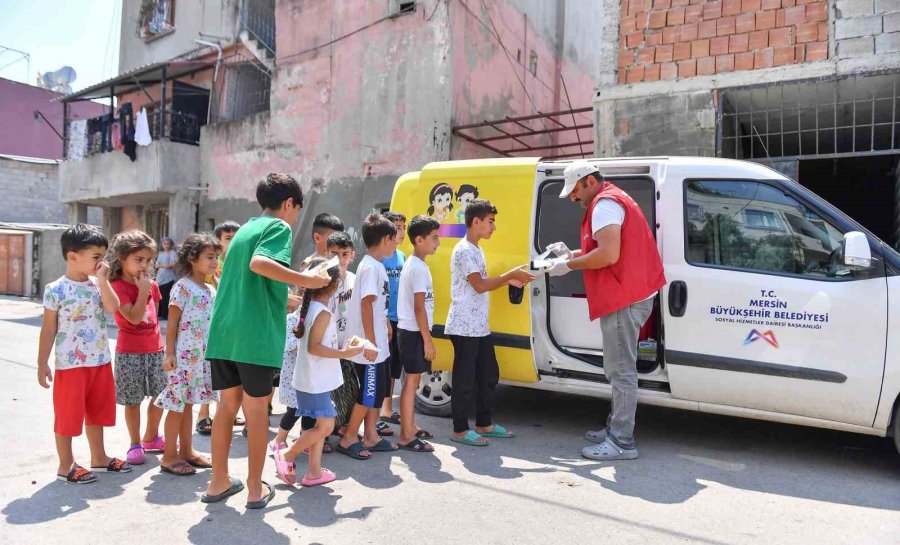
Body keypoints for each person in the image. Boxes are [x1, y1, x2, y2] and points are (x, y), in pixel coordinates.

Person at [202, 172, 328, 510]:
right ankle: (255, 489)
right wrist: (307, 280)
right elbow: (261, 264)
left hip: (224, 333)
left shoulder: (244, 229)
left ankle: (218, 482)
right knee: (256, 412)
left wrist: (285, 295)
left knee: (226, 409)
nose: (294, 218)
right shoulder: (279, 228)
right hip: (254, 337)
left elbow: (249, 277)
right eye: (296, 211)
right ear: (289, 204)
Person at [548, 160, 666, 461]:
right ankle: (616, 427)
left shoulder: (604, 205)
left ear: (588, 181)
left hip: (623, 298)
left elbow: (608, 254)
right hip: (632, 293)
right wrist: (570, 254)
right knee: (619, 368)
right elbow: (605, 248)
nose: (573, 198)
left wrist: (568, 265)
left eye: (574, 191)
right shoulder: (614, 199)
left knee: (621, 370)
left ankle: (621, 442)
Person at [38, 224, 132, 484]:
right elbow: (48, 329)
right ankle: (65, 465)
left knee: (97, 411)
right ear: (72, 256)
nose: (102, 262)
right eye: (96, 257)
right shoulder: (55, 289)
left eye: (104, 256)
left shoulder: (97, 285)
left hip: (100, 361)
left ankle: (99, 457)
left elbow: (114, 308)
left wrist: (103, 280)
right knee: (68, 414)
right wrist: (41, 363)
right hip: (71, 365)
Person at [445, 200, 534, 447]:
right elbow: (479, 285)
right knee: (464, 380)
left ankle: (484, 424)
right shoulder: (464, 250)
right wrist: (509, 277)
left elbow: (483, 283)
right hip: (464, 326)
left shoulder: (476, 249)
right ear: (476, 222)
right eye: (490, 221)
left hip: (479, 326)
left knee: (488, 374)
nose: (493, 227)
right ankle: (460, 430)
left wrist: (510, 279)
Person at [273, 258, 364, 487]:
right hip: (314, 381)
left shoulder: (311, 308)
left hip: (311, 379)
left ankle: (314, 471)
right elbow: (315, 348)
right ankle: (287, 455)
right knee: (326, 426)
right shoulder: (322, 313)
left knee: (318, 426)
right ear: (333, 286)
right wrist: (345, 352)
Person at [155, 233, 222, 476]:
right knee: (176, 406)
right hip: (183, 358)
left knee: (189, 404)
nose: (215, 262)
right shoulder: (182, 287)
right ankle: (169, 455)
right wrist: (169, 353)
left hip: (201, 359)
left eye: (217, 257)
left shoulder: (210, 288)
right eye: (210, 257)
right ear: (193, 259)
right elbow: (171, 324)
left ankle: (187, 451)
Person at [336, 214, 399, 460]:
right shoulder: (371, 267)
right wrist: (371, 341)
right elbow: (365, 304)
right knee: (369, 393)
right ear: (386, 239)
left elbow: (375, 305)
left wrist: (384, 324)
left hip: (378, 344)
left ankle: (370, 435)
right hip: (370, 347)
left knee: (377, 391)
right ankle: (350, 436)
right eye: (394, 239)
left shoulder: (375, 265)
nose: (396, 244)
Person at [108, 230, 167, 465]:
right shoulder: (117, 286)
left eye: (148, 260)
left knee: (160, 395)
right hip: (129, 351)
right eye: (138, 260)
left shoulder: (151, 285)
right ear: (122, 258)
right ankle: (135, 443)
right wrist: (142, 290)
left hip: (155, 349)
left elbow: (155, 317)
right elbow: (133, 317)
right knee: (133, 400)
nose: (144, 265)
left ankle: (151, 436)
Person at [292, 213, 346, 444]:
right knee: (309, 402)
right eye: (332, 240)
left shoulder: (334, 268)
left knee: (322, 393)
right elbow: (299, 299)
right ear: (317, 237)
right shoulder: (312, 265)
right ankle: (307, 439)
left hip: (327, 333)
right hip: (311, 332)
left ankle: (318, 439)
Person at [395, 215, 441, 452]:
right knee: (411, 383)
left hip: (411, 331)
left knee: (411, 383)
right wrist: (427, 340)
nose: (438, 242)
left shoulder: (416, 265)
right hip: (413, 332)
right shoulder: (418, 268)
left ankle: (410, 428)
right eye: (434, 238)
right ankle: (405, 436)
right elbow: (419, 307)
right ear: (419, 239)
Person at [197, 221, 243, 436]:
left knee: (226, 373)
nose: (232, 242)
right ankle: (203, 415)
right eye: (228, 238)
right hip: (211, 323)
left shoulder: (240, 260)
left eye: (236, 237)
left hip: (232, 323)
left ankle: (224, 413)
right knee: (210, 371)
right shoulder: (213, 263)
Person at [325, 231, 360, 436]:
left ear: (353, 255)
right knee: (328, 392)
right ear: (326, 253)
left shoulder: (355, 280)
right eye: (335, 253)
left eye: (344, 253)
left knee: (348, 387)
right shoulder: (323, 281)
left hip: (346, 343)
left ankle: (340, 426)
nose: (340, 258)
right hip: (327, 346)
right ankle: (323, 433)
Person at [379, 211, 406, 433]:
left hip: (400, 318)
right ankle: (378, 410)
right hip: (385, 319)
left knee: (395, 367)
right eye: (397, 227)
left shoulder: (403, 257)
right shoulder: (381, 258)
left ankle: (387, 408)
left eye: (403, 227)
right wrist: (386, 318)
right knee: (383, 366)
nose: (401, 231)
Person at [155, 237, 177, 320]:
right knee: (159, 296)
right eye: (164, 243)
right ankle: (159, 314)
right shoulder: (160, 253)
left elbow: (174, 264)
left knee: (166, 297)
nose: (166, 245)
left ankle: (165, 315)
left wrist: (163, 265)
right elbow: (156, 265)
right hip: (160, 276)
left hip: (169, 277)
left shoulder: (172, 253)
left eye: (168, 243)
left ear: (171, 244)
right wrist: (165, 265)